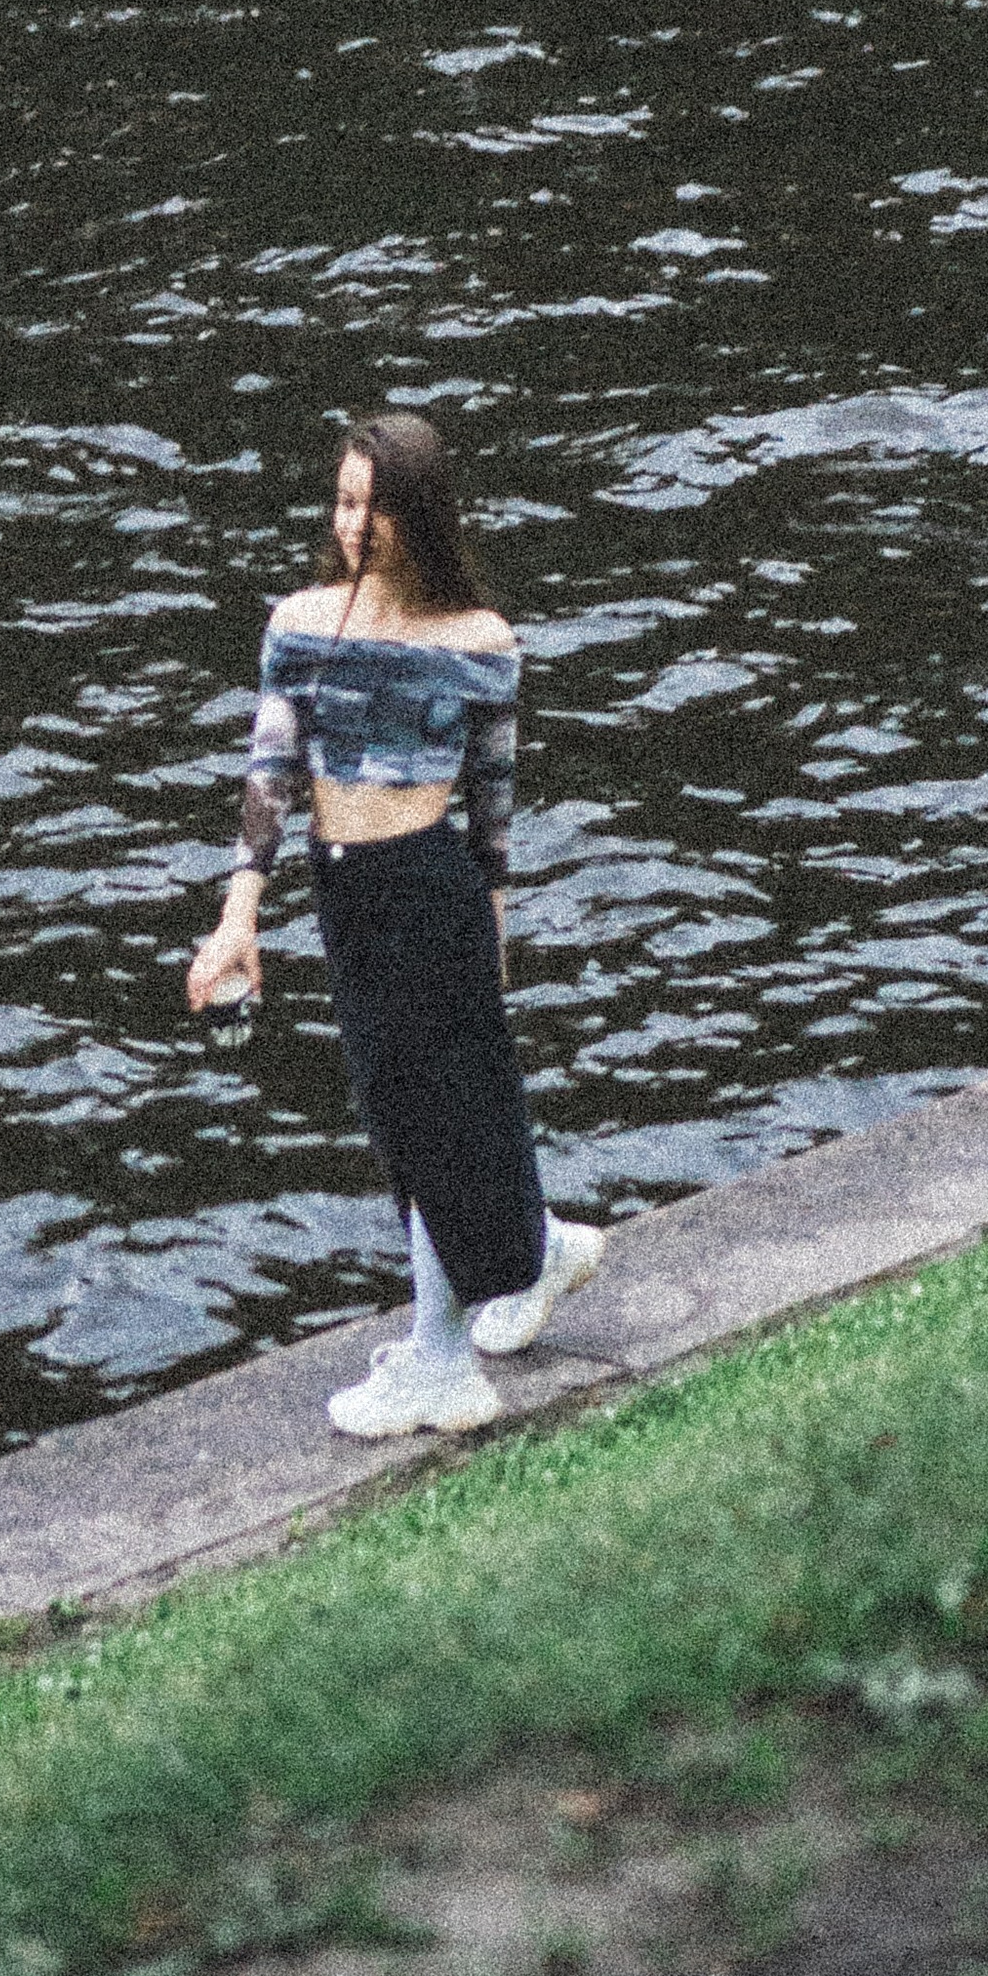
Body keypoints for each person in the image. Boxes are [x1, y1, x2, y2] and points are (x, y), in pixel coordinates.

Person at [186, 411, 603, 1436]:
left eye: (374, 505)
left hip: (429, 889)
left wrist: (493, 927)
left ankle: (439, 1362)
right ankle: (539, 1252)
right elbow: (270, 776)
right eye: (342, 501)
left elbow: (492, 810)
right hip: (345, 892)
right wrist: (239, 918)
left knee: (423, 1124)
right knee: (411, 1114)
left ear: (421, 513)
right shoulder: (299, 623)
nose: (354, 523)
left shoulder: (480, 643)